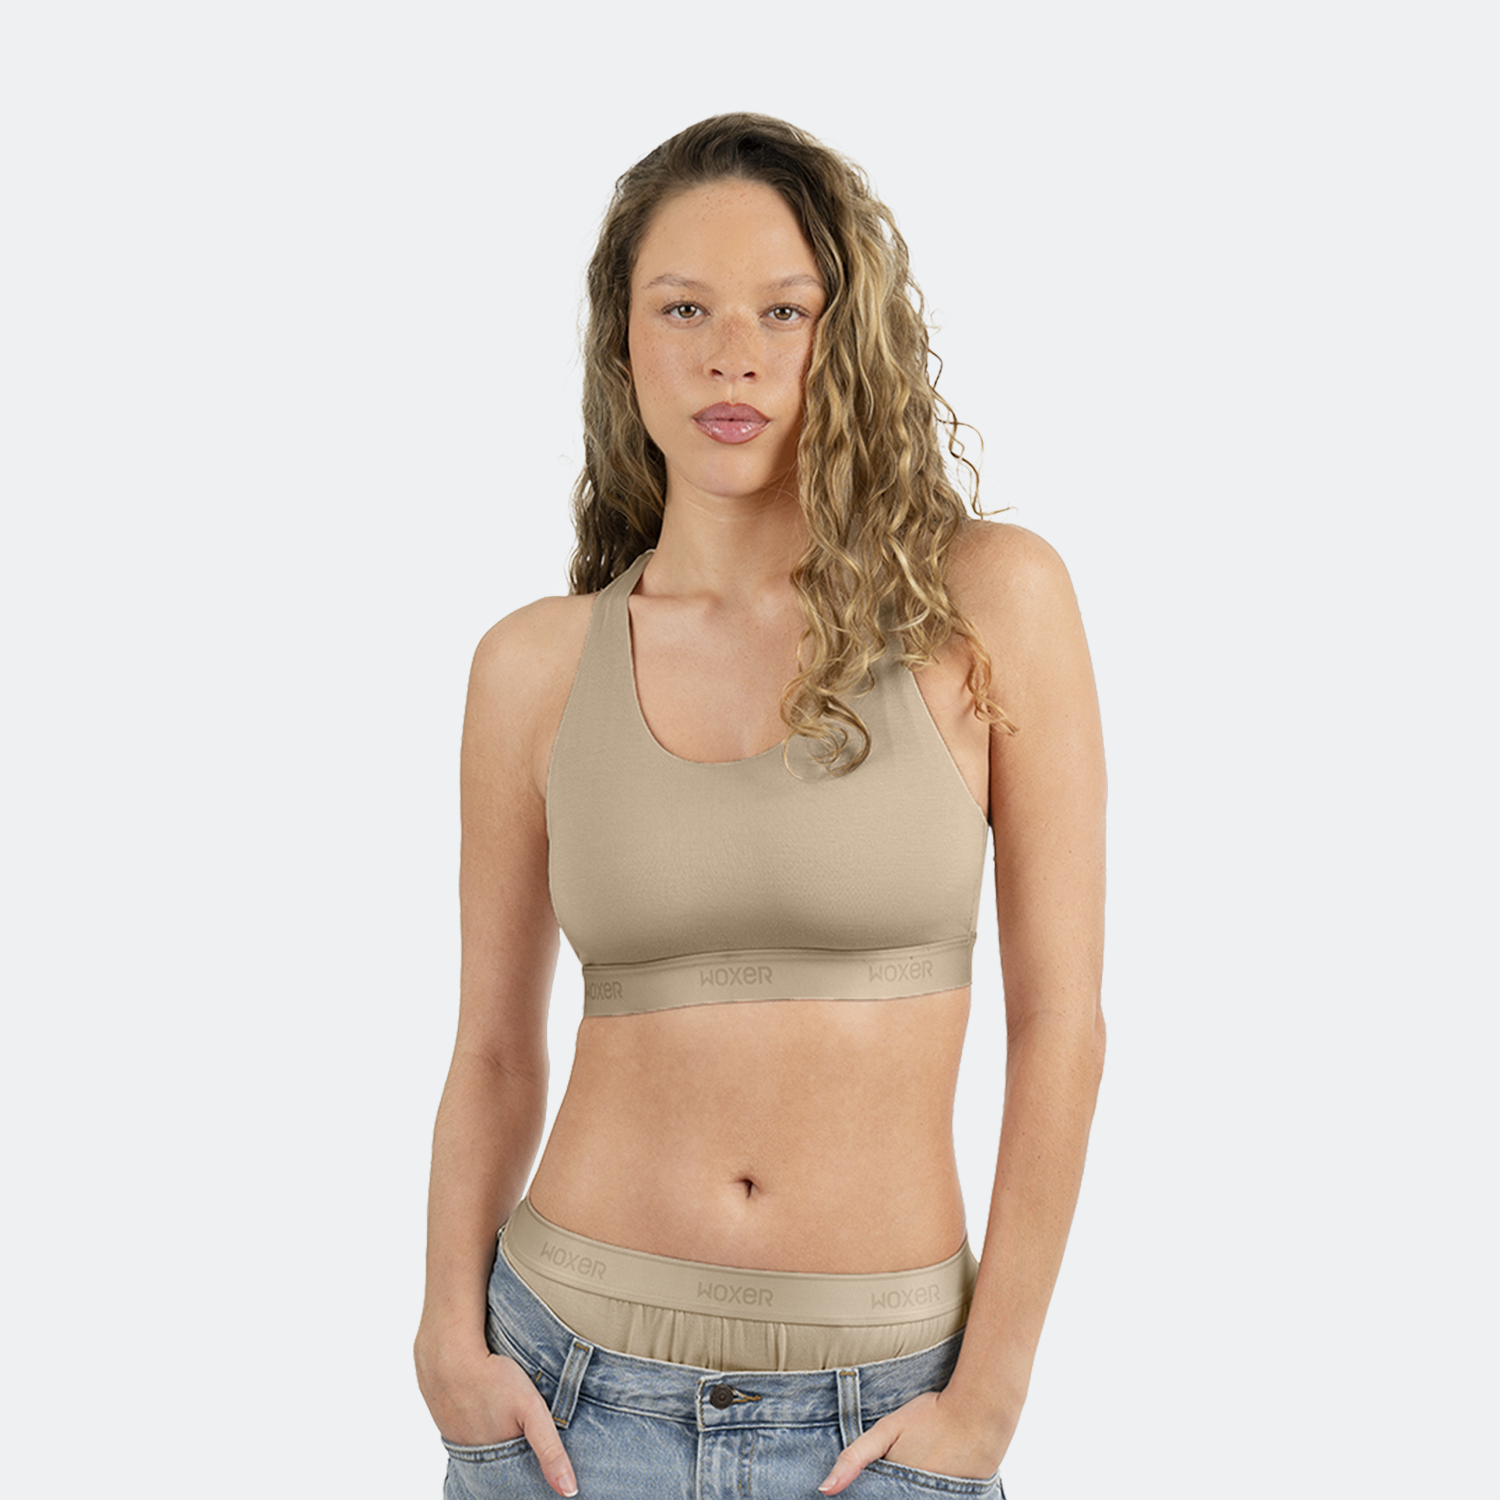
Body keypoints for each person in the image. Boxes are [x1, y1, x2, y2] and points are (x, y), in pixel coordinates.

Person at [415, 113, 1106, 1500]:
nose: (732, 355)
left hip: (884, 1419)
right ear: (622, 343)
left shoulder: (987, 605)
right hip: (565, 1395)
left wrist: (988, 1400)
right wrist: (446, 1337)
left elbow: (1064, 1030)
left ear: (845, 338)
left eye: (783, 310)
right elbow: (492, 1045)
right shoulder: (533, 666)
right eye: (685, 309)